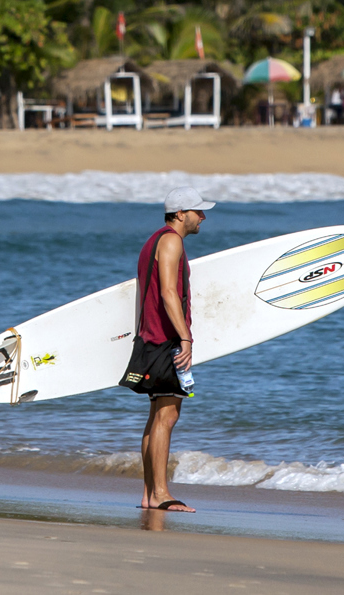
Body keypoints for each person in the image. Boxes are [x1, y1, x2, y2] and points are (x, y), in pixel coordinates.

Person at [137, 186, 215, 513]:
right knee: (168, 415)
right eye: (198, 212)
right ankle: (161, 494)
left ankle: (149, 494)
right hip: (165, 341)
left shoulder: (154, 241)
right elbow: (169, 293)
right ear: (181, 213)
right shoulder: (171, 241)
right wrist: (186, 338)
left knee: (158, 416)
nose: (203, 217)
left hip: (151, 339)